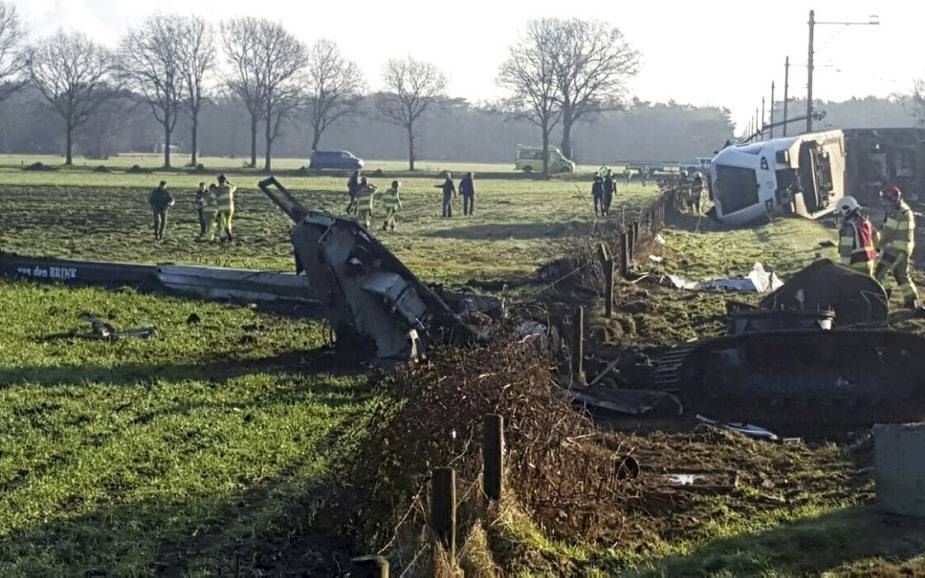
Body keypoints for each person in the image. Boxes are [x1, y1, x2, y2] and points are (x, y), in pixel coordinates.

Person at [875, 185, 918, 307]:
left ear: (892, 199)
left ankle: (885, 295)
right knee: (901, 274)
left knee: (879, 273)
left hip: (894, 249)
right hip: (905, 248)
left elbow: (887, 233)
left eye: (886, 200)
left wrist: (877, 245)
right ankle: (911, 300)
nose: (884, 203)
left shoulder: (896, 212)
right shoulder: (905, 209)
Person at [836, 196, 877, 276]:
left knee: (855, 287)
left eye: (840, 212)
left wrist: (844, 266)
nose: (840, 215)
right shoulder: (866, 222)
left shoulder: (848, 226)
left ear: (846, 210)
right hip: (870, 261)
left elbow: (846, 248)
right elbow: (876, 237)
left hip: (856, 262)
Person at [213, 173, 236, 242]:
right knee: (228, 222)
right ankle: (229, 234)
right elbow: (235, 187)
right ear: (225, 180)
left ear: (218, 181)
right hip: (230, 207)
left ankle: (223, 237)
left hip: (221, 208)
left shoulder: (216, 189)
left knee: (222, 223)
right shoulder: (229, 188)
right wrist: (229, 183)